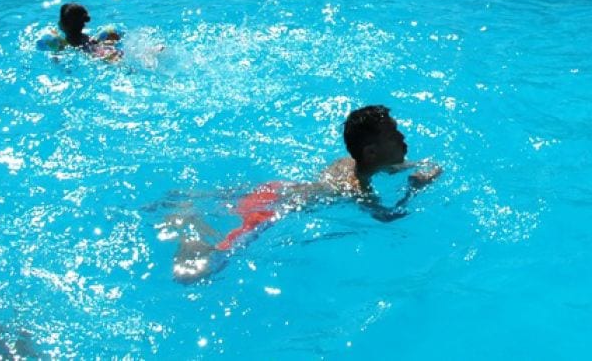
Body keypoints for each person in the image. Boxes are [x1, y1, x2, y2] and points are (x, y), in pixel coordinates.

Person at [171, 105, 442, 283]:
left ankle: (186, 204)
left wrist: (414, 166)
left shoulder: (360, 163)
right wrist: (413, 190)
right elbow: (386, 217)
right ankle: (190, 234)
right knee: (218, 258)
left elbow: (390, 165)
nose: (403, 137)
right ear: (371, 152)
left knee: (221, 206)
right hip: (276, 204)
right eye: (394, 135)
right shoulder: (357, 187)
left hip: (277, 187)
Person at [36, 2, 122, 59]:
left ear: (63, 24)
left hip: (90, 54)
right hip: (98, 49)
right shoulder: (89, 38)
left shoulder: (64, 44)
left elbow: (57, 57)